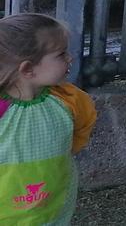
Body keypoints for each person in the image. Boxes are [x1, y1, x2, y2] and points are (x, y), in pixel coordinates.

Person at [0, 14, 96, 225]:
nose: (70, 58)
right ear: (28, 69)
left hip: (54, 208)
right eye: (61, 54)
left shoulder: (70, 99)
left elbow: (82, 128)